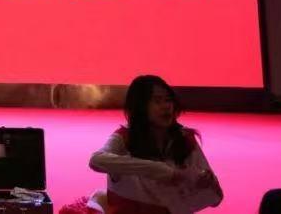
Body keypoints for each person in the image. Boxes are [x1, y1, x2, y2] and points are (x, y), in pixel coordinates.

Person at [88, 75, 223, 214]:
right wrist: (162, 171)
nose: (166, 106)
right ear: (140, 107)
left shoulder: (184, 138)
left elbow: (216, 199)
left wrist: (204, 184)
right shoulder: (125, 137)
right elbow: (96, 160)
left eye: (168, 100)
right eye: (157, 101)